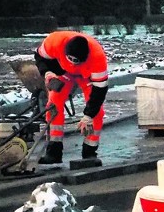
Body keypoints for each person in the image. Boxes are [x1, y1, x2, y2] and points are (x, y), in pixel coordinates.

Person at [34, 31, 109, 165]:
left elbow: (99, 91)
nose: (74, 64)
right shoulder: (54, 42)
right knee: (53, 106)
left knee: (97, 113)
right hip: (63, 72)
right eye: (71, 59)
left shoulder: (97, 58)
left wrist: (88, 115)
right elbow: (40, 57)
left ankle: (89, 152)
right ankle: (53, 152)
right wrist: (48, 73)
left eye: (77, 61)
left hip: (87, 76)